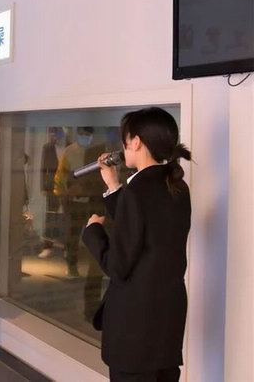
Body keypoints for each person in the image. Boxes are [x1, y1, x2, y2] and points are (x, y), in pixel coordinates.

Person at [82, 107, 191, 382]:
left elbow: (117, 266)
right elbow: (144, 227)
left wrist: (93, 232)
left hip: (135, 330)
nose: (123, 147)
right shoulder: (177, 186)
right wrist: (113, 185)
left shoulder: (137, 193)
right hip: (166, 323)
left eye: (125, 141)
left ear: (137, 142)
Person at [53, 126, 104, 279]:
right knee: (73, 236)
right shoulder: (70, 151)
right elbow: (61, 175)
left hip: (93, 200)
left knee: (95, 235)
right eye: (82, 134)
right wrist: (62, 193)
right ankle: (72, 266)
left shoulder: (97, 151)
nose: (84, 137)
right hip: (74, 202)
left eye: (87, 134)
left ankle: (96, 268)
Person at [38, 127, 67, 258]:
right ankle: (48, 246)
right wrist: (43, 186)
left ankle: (66, 246)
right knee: (51, 215)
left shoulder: (70, 147)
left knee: (66, 216)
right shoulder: (48, 148)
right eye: (53, 134)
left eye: (57, 133)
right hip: (51, 186)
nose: (55, 136)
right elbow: (43, 168)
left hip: (67, 187)